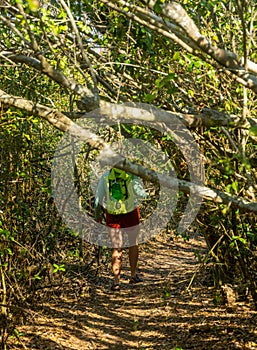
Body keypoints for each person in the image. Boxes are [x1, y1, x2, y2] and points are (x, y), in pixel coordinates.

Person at [94, 167, 147, 291]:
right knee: (133, 243)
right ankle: (133, 275)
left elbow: (98, 199)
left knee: (116, 247)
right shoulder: (131, 175)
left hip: (112, 214)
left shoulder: (105, 176)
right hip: (131, 212)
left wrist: (97, 216)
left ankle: (116, 282)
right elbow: (141, 194)